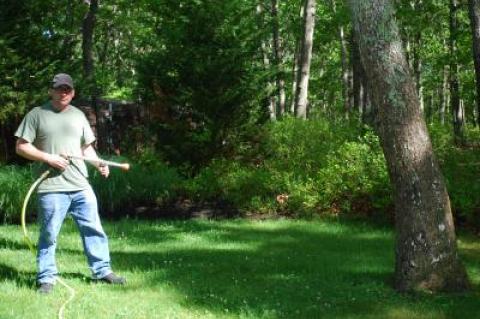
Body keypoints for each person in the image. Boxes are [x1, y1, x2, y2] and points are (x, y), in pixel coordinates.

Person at [15, 73, 126, 294]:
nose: (63, 92)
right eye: (59, 88)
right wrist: (49, 158)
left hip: (80, 185)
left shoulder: (78, 116)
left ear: (73, 92)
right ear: (51, 91)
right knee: (49, 234)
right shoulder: (37, 115)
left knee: (94, 229)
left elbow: (86, 148)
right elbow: (21, 146)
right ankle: (46, 278)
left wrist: (98, 164)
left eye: (67, 89)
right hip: (51, 187)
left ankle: (102, 271)